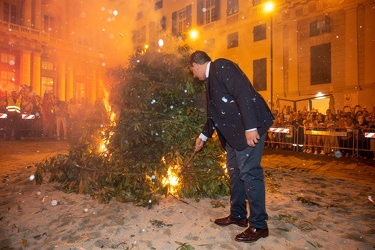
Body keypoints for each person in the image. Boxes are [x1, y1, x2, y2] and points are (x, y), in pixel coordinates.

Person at [189, 51, 274, 243]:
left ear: (196, 64)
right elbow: (214, 115)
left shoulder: (221, 66)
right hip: (234, 137)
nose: (193, 75)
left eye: (192, 70)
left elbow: (243, 92)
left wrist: (251, 126)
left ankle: (259, 225)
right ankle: (238, 215)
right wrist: (203, 136)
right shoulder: (211, 80)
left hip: (248, 130)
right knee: (235, 173)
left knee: (250, 174)